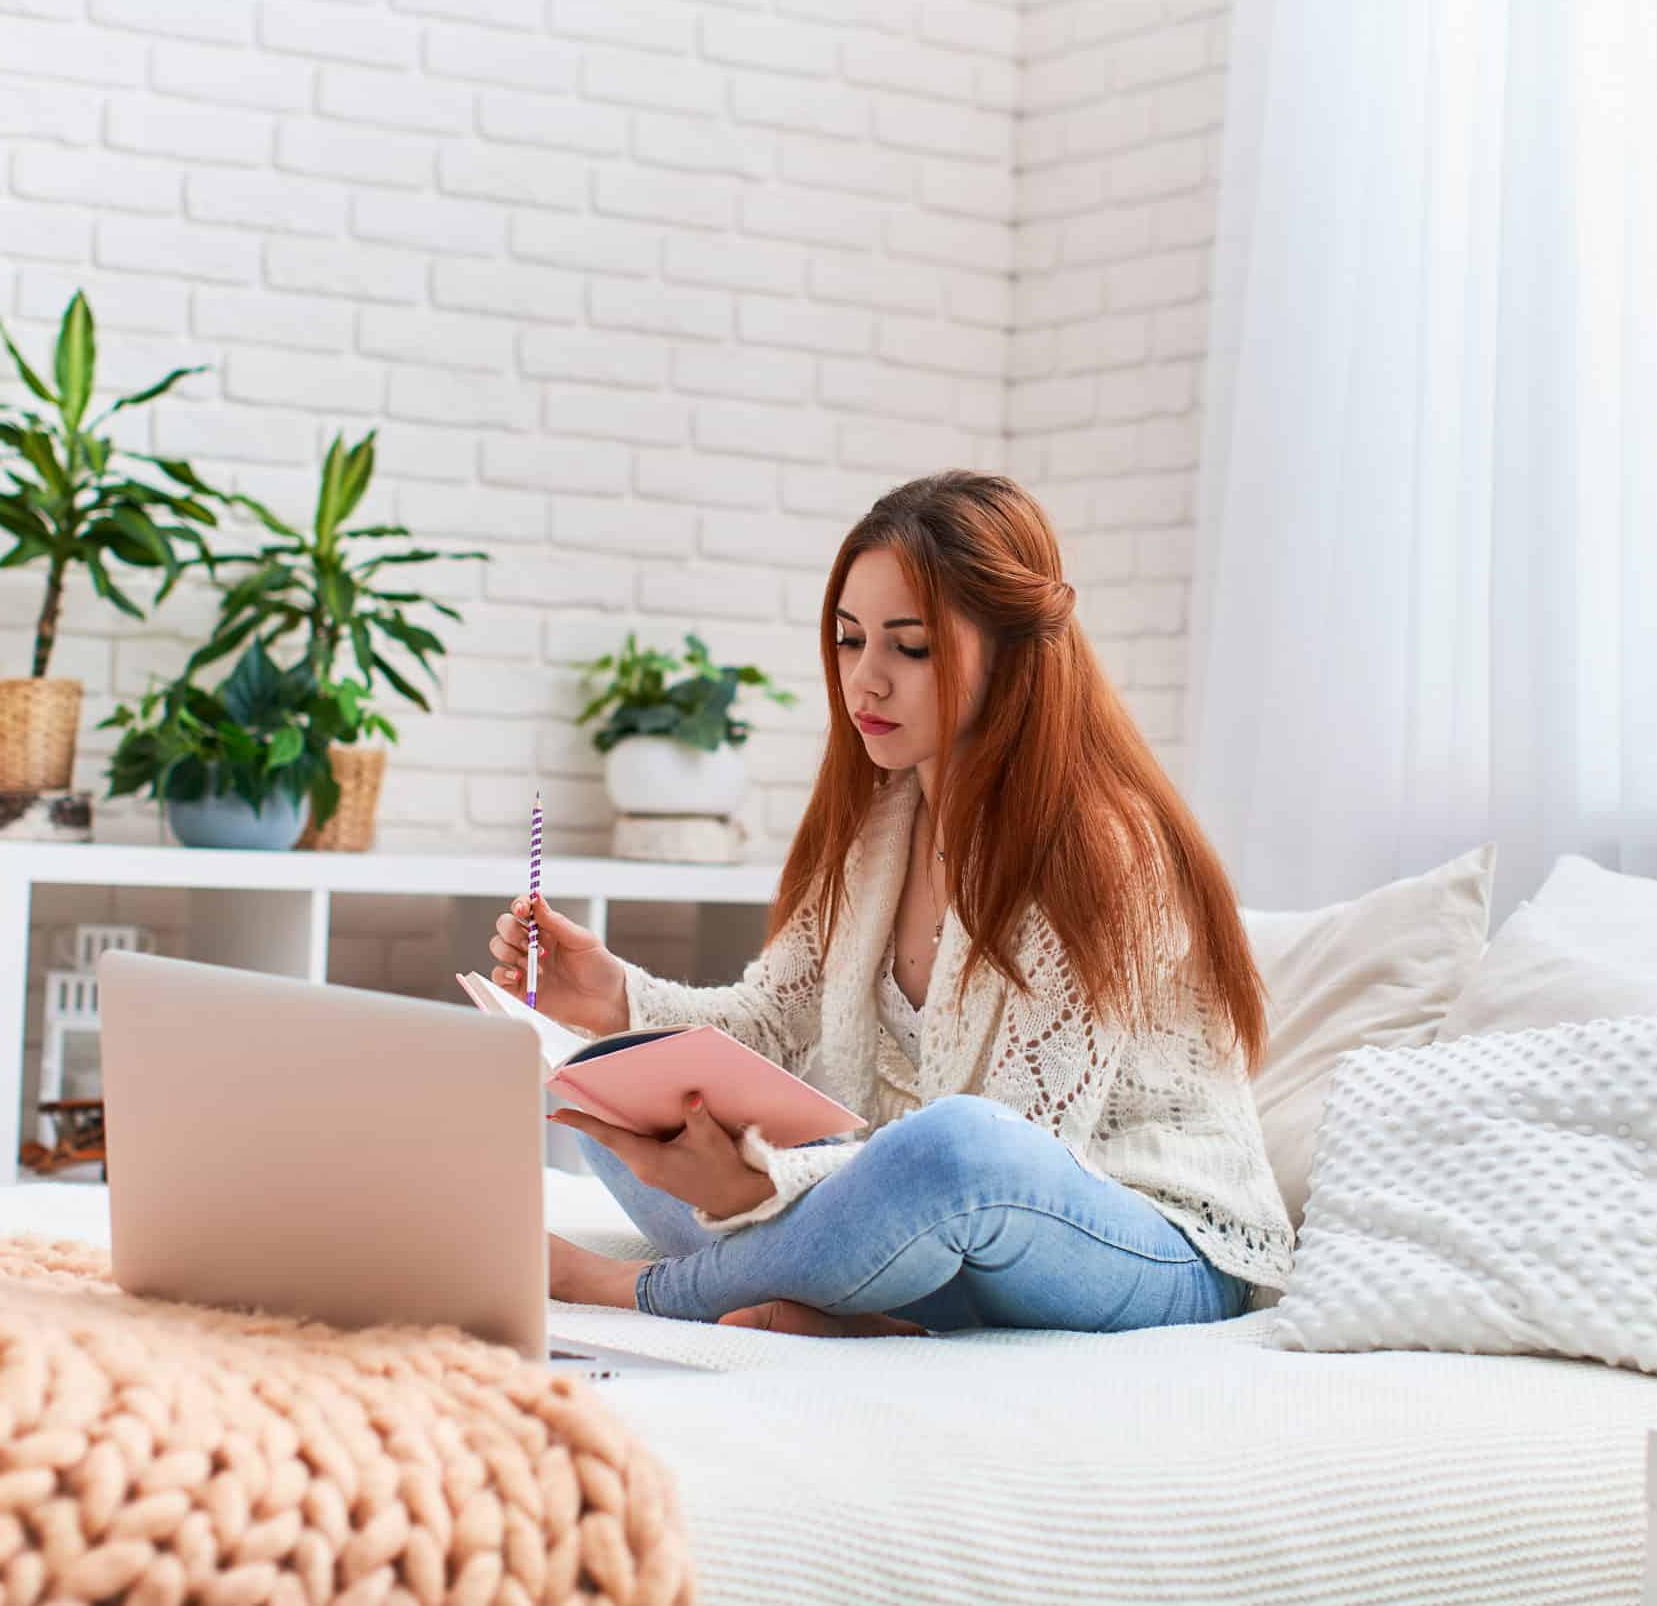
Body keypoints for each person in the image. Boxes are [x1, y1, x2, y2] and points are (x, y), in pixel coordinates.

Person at [488, 471, 1293, 1338]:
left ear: (1012, 651)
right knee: (608, 1081)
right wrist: (615, 999)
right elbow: (772, 1018)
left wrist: (768, 1184)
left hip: (1152, 1240)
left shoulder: (1097, 846)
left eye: (909, 648)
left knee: (949, 1151)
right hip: (952, 1223)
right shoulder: (883, 817)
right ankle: (866, 1297)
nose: (865, 681)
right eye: (849, 639)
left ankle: (644, 1291)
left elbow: (1008, 1153)